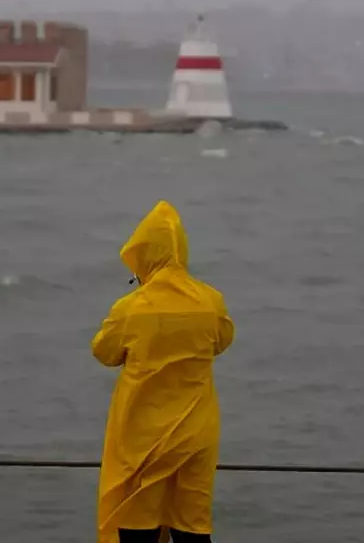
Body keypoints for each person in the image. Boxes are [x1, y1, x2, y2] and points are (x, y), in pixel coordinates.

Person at [92, 201, 236, 543]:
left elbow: (104, 352)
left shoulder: (131, 308)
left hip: (142, 437)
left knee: (138, 526)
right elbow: (222, 341)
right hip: (196, 432)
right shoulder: (210, 301)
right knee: (192, 526)